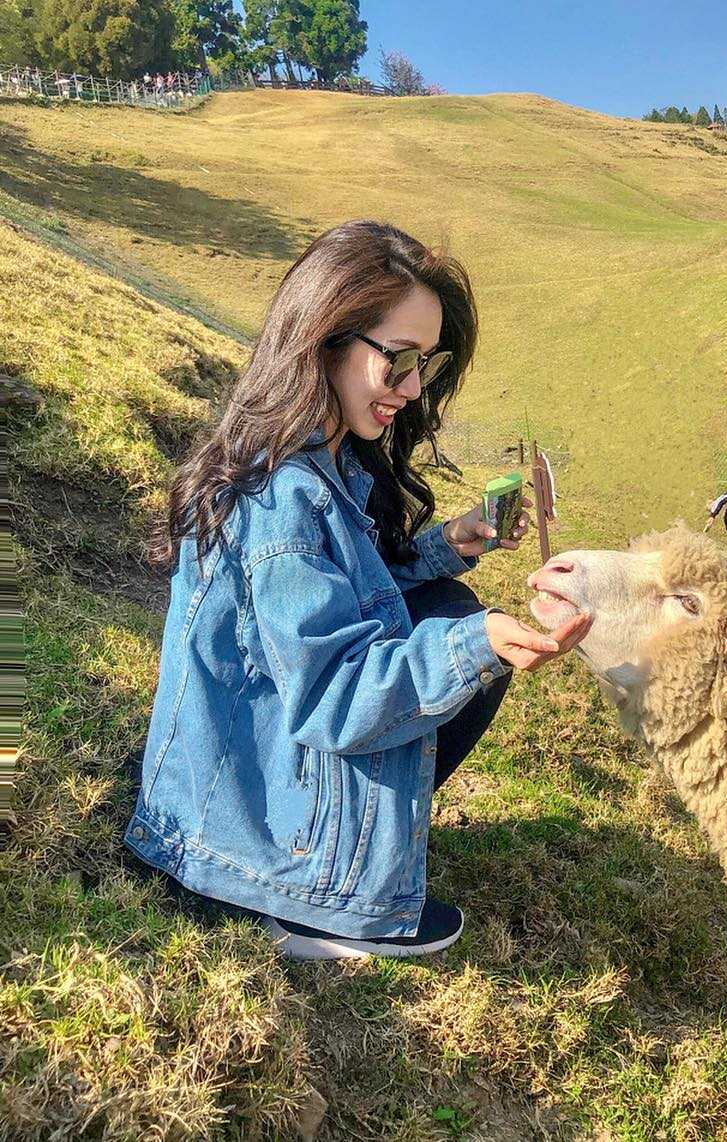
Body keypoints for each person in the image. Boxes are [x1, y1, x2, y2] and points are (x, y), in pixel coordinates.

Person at [125, 221, 591, 962]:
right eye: (398, 362)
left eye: (426, 367)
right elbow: (332, 692)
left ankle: (333, 851)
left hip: (231, 788)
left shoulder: (320, 460)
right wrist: (482, 645)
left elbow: (347, 597)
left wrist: (448, 545)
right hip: (237, 831)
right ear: (327, 340)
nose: (411, 391)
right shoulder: (285, 494)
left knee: (445, 613)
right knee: (459, 636)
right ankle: (312, 898)